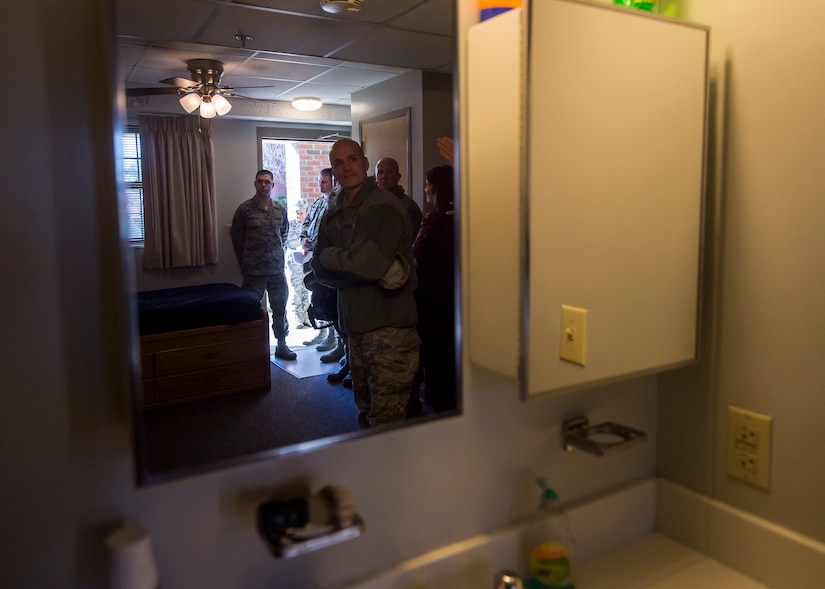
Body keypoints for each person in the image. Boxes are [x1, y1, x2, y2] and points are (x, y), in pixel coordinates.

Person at [312, 139, 420, 428]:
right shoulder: (335, 209)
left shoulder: (383, 206)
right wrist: (345, 263)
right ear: (333, 170)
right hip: (355, 326)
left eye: (353, 160)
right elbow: (317, 267)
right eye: (338, 163)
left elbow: (365, 265)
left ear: (365, 163)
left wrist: (332, 257)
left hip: (389, 331)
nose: (346, 168)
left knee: (388, 422)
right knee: (365, 412)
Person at [231, 169, 296, 361]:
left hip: (276, 270)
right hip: (254, 271)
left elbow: (284, 234)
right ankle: (250, 348)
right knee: (250, 309)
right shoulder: (244, 210)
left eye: (267, 182)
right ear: (255, 184)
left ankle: (282, 345)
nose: (264, 185)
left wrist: (275, 253)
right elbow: (237, 238)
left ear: (273, 185)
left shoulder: (279, 210)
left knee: (280, 308)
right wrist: (246, 260)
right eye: (260, 181)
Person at [412, 165, 457, 413]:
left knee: (442, 364)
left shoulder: (448, 223)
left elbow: (437, 268)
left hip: (441, 306)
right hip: (431, 303)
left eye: (428, 184)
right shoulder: (433, 220)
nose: (425, 190)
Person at [299, 168, 347, 367]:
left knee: (330, 301)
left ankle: (336, 342)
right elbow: (307, 223)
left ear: (333, 182)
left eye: (324, 182)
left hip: (329, 263)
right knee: (317, 299)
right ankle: (321, 333)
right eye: (319, 182)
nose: (321, 185)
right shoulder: (318, 203)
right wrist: (304, 239)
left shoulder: (337, 204)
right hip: (312, 260)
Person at [374, 157, 423, 232]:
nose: (384, 177)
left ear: (398, 177)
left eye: (389, 172)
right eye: (380, 172)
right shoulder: (371, 203)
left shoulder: (407, 207)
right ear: (375, 177)